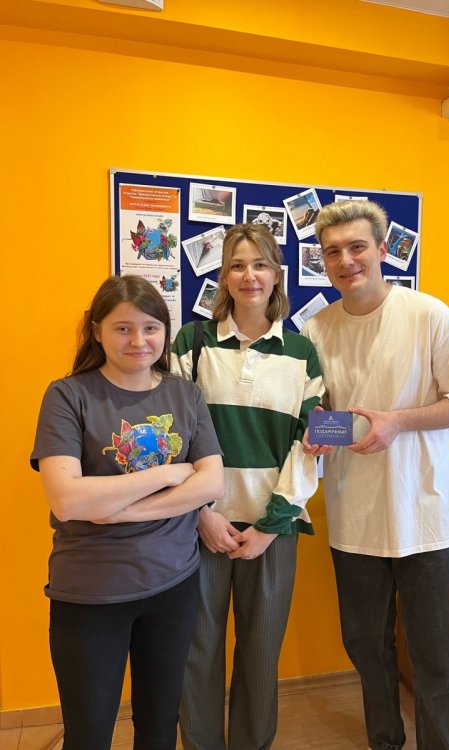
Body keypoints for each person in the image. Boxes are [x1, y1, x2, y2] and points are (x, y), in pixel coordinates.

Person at [301, 200, 449, 750]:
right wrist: (315, 431)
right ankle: (384, 741)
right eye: (333, 251)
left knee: (436, 660)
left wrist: (398, 422)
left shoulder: (430, 315)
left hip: (426, 519)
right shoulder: (316, 329)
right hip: (354, 519)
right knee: (367, 649)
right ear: (323, 261)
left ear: (383, 250)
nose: (346, 260)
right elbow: (325, 413)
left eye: (357, 247)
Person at [30, 275, 224, 750]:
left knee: (158, 727)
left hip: (173, 584)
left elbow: (211, 483)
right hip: (91, 592)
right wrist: (169, 473)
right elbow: (68, 500)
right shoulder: (67, 395)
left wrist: (116, 510)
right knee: (89, 733)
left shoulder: (186, 395)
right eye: (123, 328)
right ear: (96, 330)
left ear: (165, 332)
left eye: (151, 328)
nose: (139, 341)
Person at [172, 223, 324, 750]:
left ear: (277, 274)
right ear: (223, 276)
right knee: (197, 649)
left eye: (260, 264)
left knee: (261, 653)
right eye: (237, 265)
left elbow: (310, 444)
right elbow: (172, 436)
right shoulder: (191, 343)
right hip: (200, 527)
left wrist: (270, 525)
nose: (248, 275)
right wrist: (199, 514)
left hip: (271, 530)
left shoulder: (303, 353)